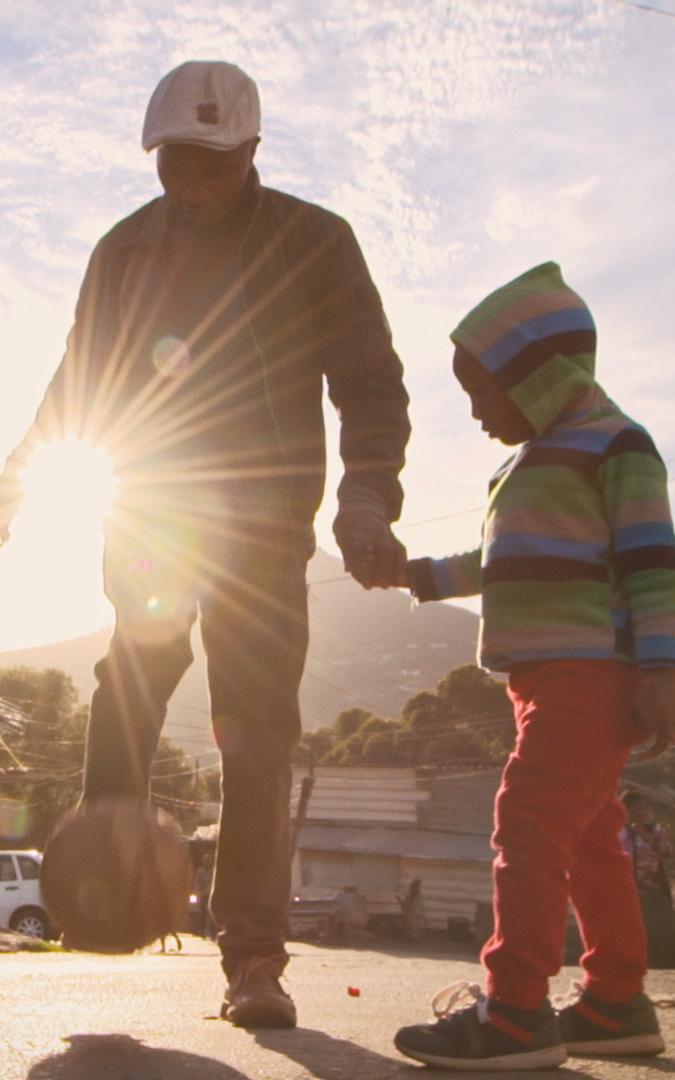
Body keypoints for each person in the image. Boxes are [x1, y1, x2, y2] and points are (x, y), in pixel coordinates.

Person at [0, 61, 410, 1027]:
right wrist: (18, 474)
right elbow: (80, 379)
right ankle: (107, 876)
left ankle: (255, 960)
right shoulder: (124, 252)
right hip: (151, 507)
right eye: (175, 160)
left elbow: (370, 384)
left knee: (257, 723)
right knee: (132, 674)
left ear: (253, 154)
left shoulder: (315, 242)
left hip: (264, 527)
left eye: (212, 163)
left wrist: (367, 495)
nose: (191, 180)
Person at [392, 262, 675, 1070]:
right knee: (588, 839)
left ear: (540, 377)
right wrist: (416, 576)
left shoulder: (617, 445)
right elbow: (500, 562)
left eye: (485, 392)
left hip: (593, 675)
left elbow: (654, 563)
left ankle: (513, 1010)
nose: (477, 411)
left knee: (528, 825)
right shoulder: (521, 466)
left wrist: (659, 667)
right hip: (544, 681)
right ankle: (615, 1001)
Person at [621, 790, 675, 967]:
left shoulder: (655, 830)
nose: (643, 811)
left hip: (654, 889)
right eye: (638, 807)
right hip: (627, 888)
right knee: (631, 929)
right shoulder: (618, 832)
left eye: (644, 807)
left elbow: (666, 852)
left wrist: (642, 833)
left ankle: (660, 964)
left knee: (659, 927)